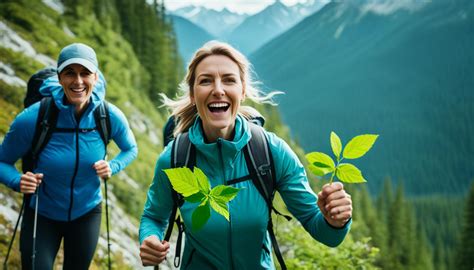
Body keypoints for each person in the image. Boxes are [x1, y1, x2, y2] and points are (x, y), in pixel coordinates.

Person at [138, 41, 352, 269]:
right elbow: (154, 216)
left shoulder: (270, 151)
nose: (218, 89)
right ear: (192, 94)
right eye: (206, 80)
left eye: (229, 80)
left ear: (242, 90)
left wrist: (336, 221)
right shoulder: (174, 159)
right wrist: (149, 238)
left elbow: (323, 231)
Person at [0, 43, 138, 269]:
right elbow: (2, 161)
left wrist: (112, 166)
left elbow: (131, 149)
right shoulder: (34, 117)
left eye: (85, 73)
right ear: (59, 77)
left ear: (96, 76)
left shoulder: (108, 116)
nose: (78, 81)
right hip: (42, 214)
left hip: (87, 213)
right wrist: (17, 180)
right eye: (70, 73)